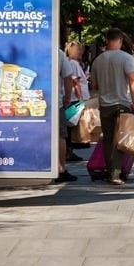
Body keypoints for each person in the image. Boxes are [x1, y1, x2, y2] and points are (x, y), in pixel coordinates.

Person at [92, 29, 134, 185]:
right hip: (122, 103)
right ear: (119, 40)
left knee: (107, 139)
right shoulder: (127, 58)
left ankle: (110, 170)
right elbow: (133, 80)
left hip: (104, 104)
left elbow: (94, 85)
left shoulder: (98, 60)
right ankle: (116, 173)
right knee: (120, 139)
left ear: (107, 40)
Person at [56, 49, 78, 183]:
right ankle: (61, 169)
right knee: (60, 135)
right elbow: (68, 77)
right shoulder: (57, 53)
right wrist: (68, 98)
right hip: (55, 102)